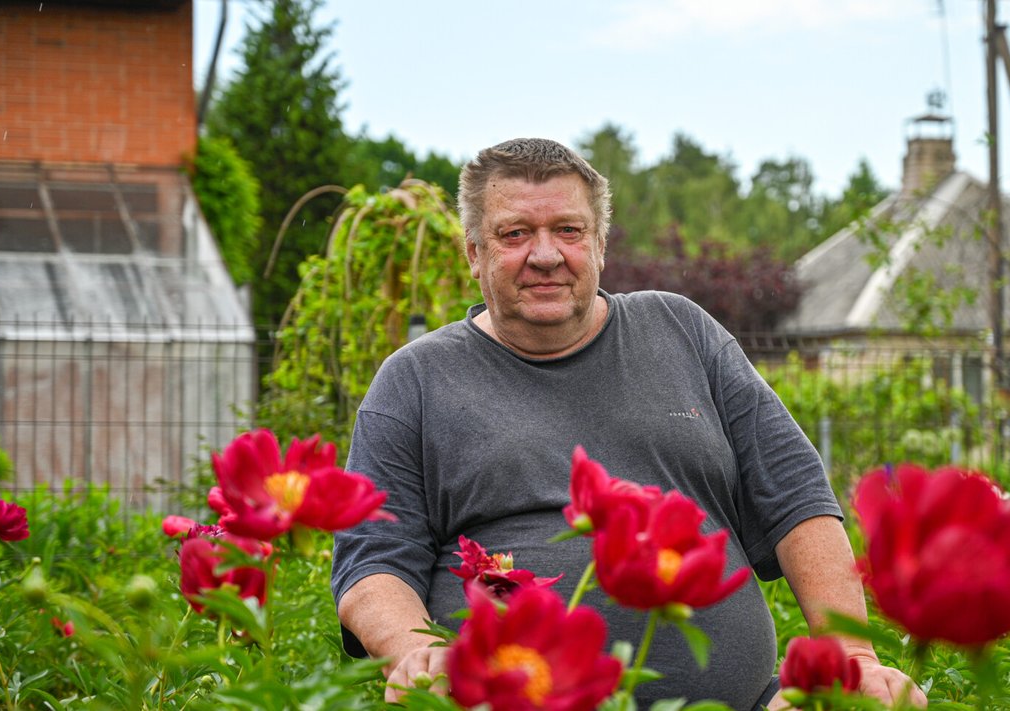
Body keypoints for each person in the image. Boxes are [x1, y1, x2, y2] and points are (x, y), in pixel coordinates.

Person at [332, 137, 926, 710]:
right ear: (474, 252)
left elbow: (795, 498)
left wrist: (852, 657)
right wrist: (411, 650)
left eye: (569, 230)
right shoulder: (415, 380)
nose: (545, 254)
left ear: (599, 244)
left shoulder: (682, 332)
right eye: (515, 234)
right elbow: (372, 559)